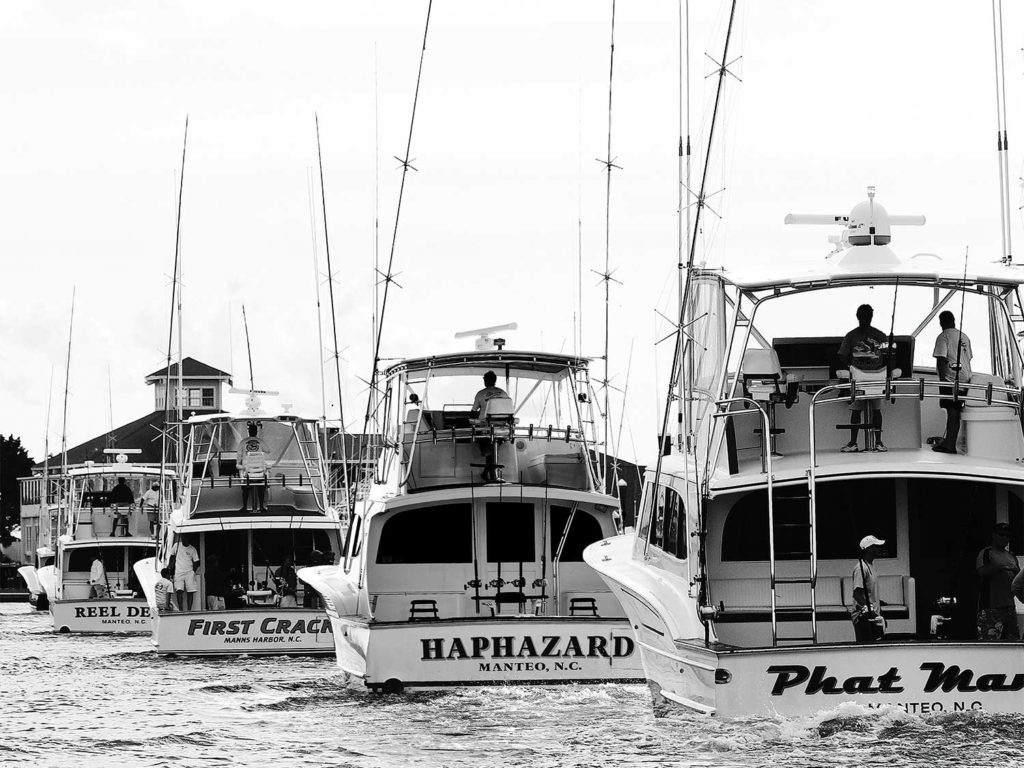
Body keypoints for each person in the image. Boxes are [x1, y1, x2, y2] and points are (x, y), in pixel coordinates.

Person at [838, 305, 889, 453]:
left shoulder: (851, 335)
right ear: (871, 316)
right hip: (877, 380)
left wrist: (852, 366)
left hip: (858, 380)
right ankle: (878, 442)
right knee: (876, 410)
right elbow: (889, 355)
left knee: (856, 411)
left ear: (857, 316)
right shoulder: (881, 335)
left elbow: (842, 355)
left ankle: (853, 442)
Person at [931, 310, 973, 454]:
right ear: (954, 321)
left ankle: (949, 445)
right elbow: (969, 357)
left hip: (951, 379)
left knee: (952, 410)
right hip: (966, 378)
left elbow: (941, 358)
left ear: (941, 322)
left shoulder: (943, 336)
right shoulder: (965, 336)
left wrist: (943, 380)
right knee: (955, 409)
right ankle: (949, 440)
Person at [976, 522, 1021, 640]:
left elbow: (1019, 579)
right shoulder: (986, 552)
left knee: (1013, 642)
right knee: (989, 643)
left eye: (1008, 535)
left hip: (1010, 606)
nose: (1005, 538)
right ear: (994, 535)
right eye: (1001, 534)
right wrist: (1002, 567)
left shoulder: (1011, 556)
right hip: (991, 606)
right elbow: (982, 571)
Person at [471, 371, 510, 482]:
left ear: (485, 381)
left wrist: (472, 418)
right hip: (501, 428)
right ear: (495, 380)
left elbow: (473, 412)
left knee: (490, 447)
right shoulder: (503, 393)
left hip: (485, 427)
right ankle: (490, 474)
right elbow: (508, 410)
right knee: (493, 447)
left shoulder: (480, 394)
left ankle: (491, 475)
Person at [849, 535, 887, 643]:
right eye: (876, 546)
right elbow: (857, 594)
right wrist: (871, 611)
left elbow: (869, 592)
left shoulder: (870, 566)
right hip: (864, 618)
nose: (879, 549)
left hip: (874, 616)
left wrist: (880, 611)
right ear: (869, 549)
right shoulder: (860, 568)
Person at [240, 421, 269, 513]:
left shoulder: (242, 442)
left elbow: (239, 457)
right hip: (259, 472)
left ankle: (244, 506)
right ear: (256, 431)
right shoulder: (261, 441)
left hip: (248, 472)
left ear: (249, 432)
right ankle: (261, 506)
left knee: (244, 485)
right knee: (262, 485)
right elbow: (268, 451)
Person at [172, 535, 201, 611]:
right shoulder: (176, 545)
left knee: (190, 591)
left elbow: (196, 561)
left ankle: (189, 609)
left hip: (189, 572)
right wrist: (169, 567)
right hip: (179, 571)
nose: (184, 539)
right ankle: (181, 609)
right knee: (179, 590)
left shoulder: (192, 549)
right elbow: (172, 556)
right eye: (183, 538)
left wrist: (193, 571)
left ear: (188, 539)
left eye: (185, 538)